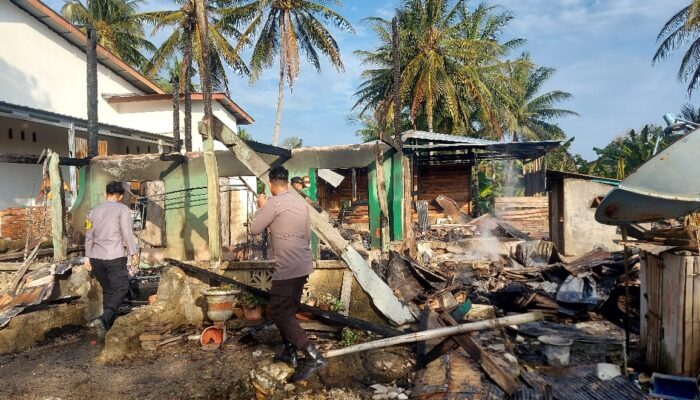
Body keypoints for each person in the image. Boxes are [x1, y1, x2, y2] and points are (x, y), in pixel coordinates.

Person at [249, 166, 326, 382]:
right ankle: (290, 353)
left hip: (288, 267)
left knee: (279, 312)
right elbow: (305, 234)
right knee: (289, 310)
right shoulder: (300, 203)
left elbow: (254, 229)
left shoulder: (273, 203)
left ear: (272, 184)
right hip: (302, 264)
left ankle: (313, 355)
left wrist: (261, 207)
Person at [84, 181, 139, 338]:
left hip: (96, 257)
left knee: (108, 290)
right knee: (122, 287)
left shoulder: (92, 212)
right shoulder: (122, 209)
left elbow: (89, 236)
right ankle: (104, 318)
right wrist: (133, 253)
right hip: (114, 256)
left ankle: (106, 330)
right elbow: (127, 232)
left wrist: (87, 257)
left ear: (105, 194)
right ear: (120, 196)